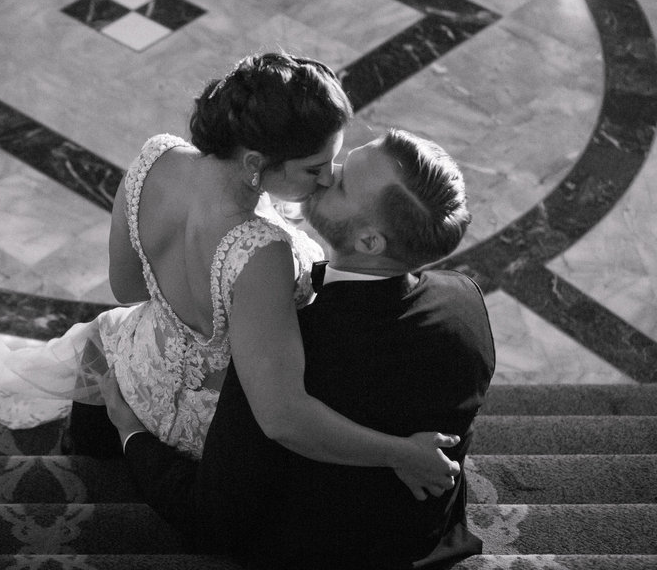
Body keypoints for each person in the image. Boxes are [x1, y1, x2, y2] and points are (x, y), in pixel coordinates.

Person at [104, 129, 496, 569]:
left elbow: (213, 517)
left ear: (370, 241)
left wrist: (129, 432)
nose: (328, 174)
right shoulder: (464, 301)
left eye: (344, 182)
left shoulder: (283, 340)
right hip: (424, 537)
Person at [0, 52, 347, 459]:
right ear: (255, 161)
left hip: (134, 378)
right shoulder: (262, 251)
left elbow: (126, 288)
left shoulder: (155, 160)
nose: (330, 177)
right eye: (314, 168)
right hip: (207, 431)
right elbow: (281, 417)